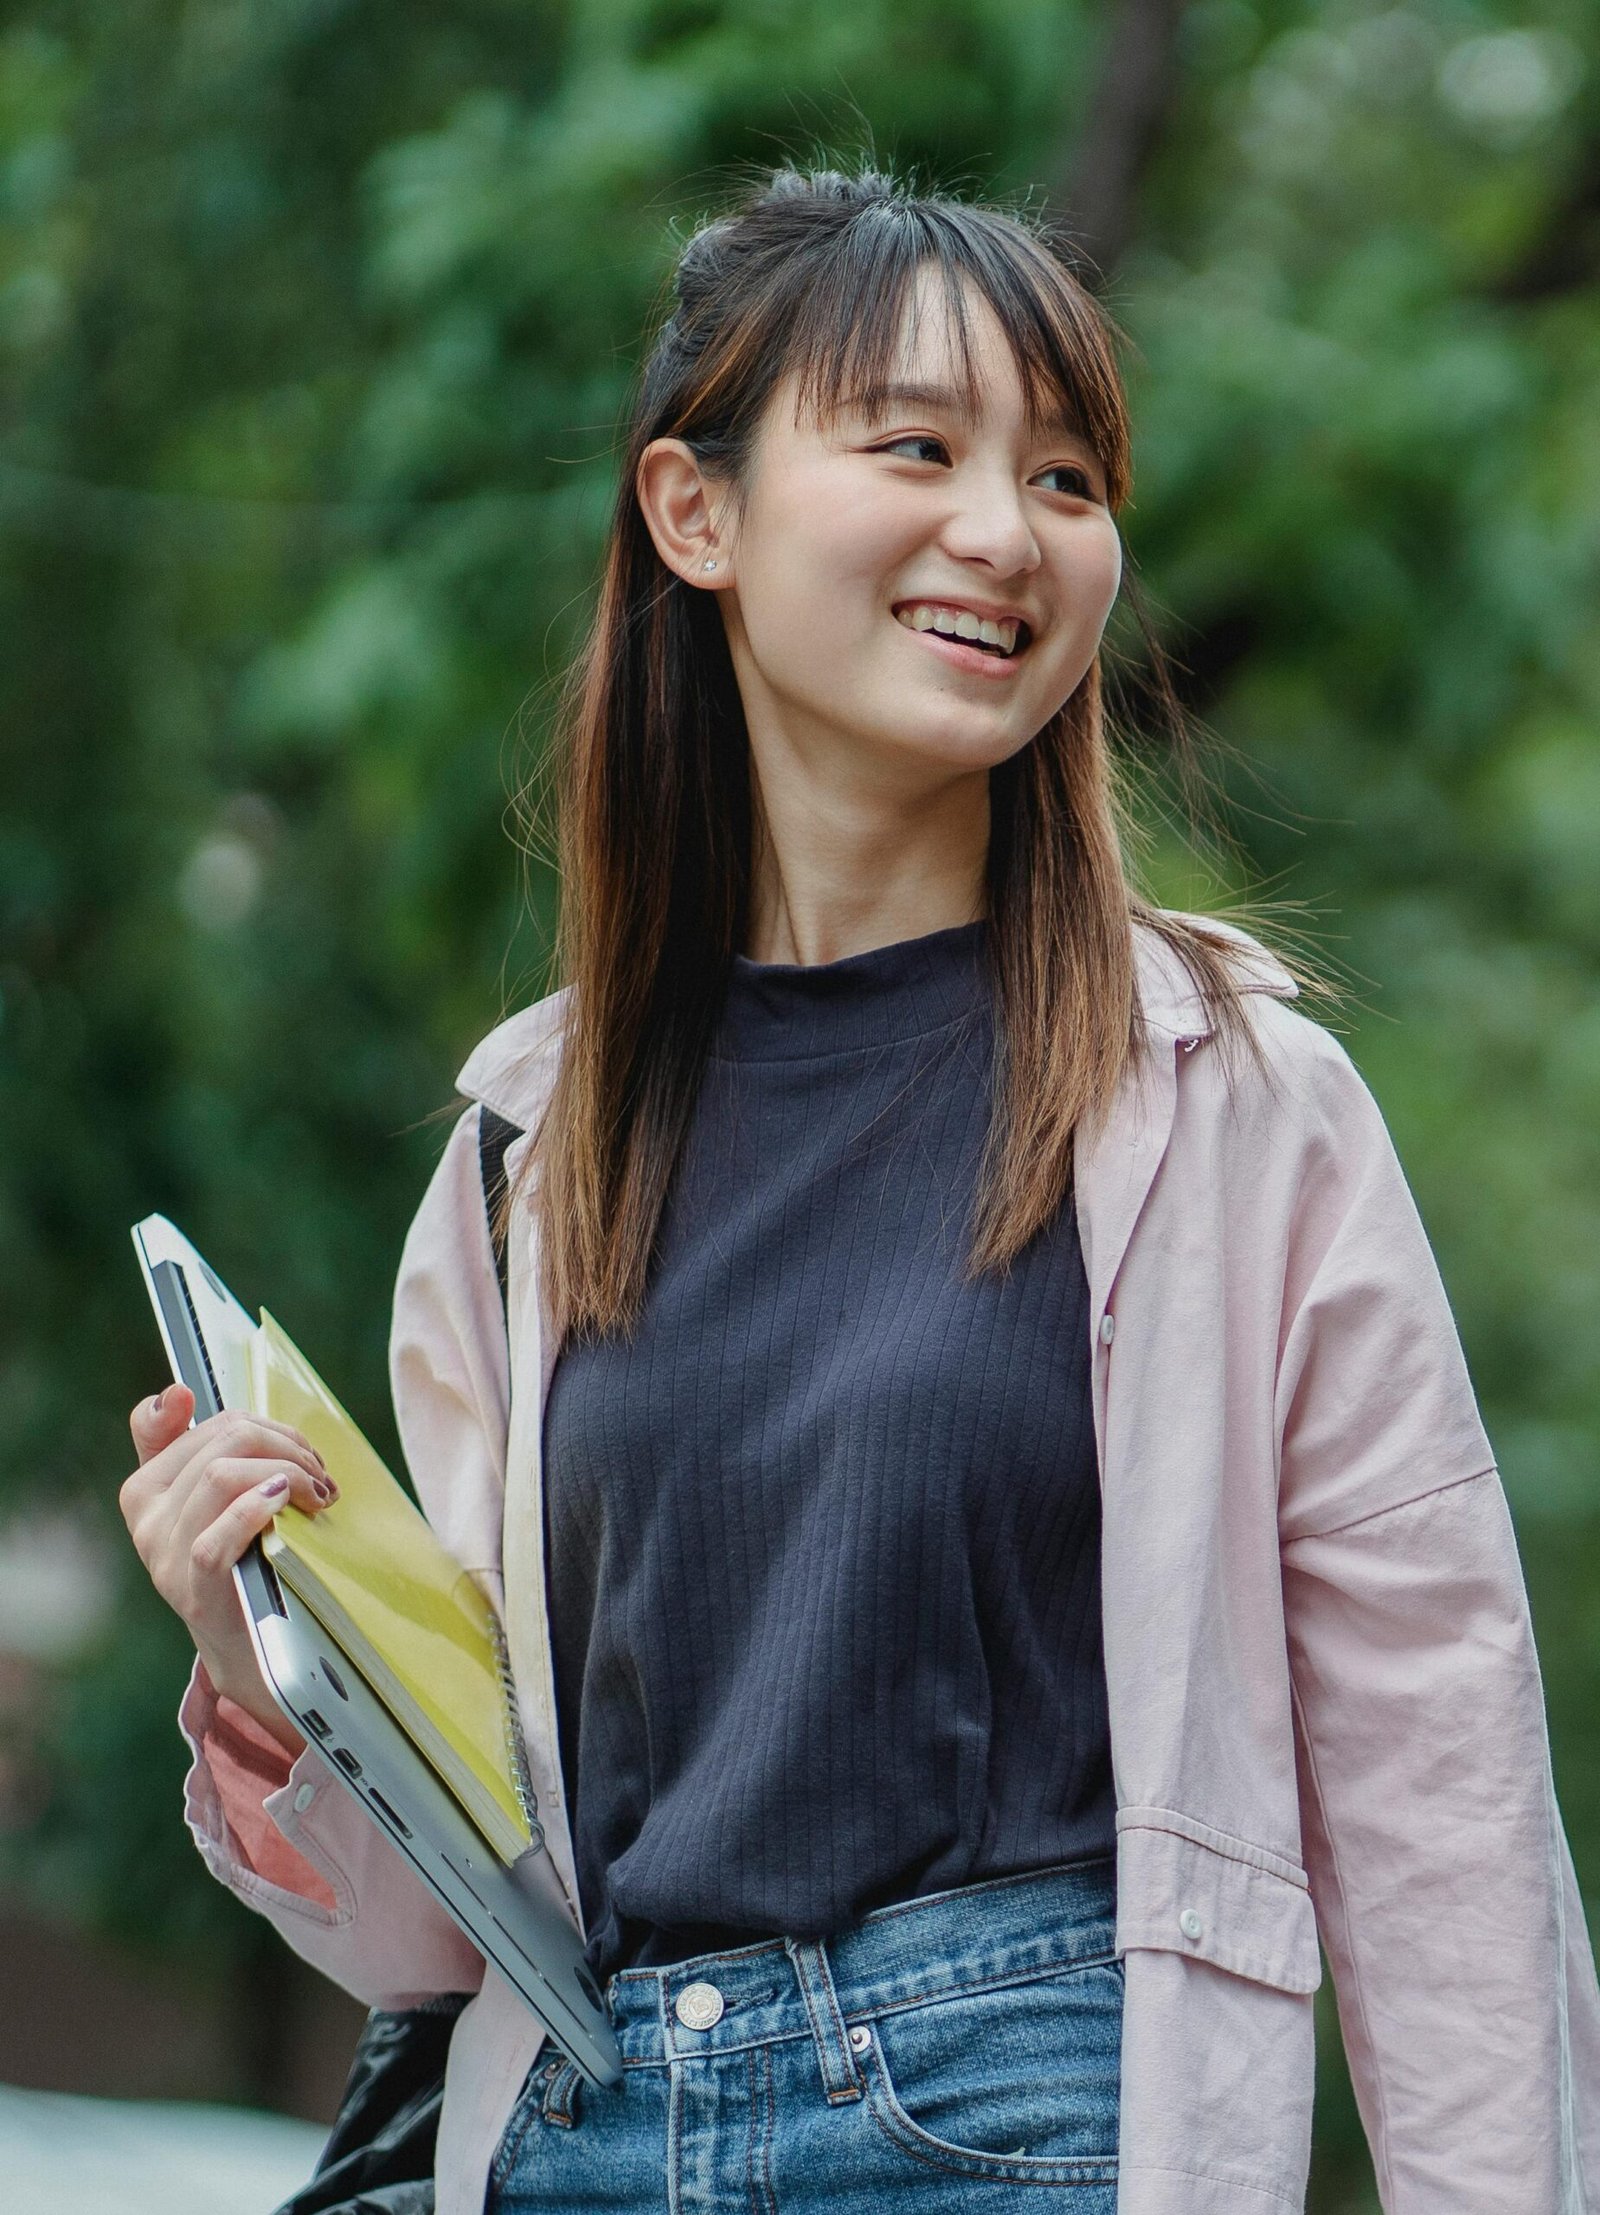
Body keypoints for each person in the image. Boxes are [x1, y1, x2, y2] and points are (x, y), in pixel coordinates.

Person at [119, 163, 1600, 2214]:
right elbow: (447, 1930)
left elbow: (1440, 1800)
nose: (1006, 531)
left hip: (1007, 2126)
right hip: (574, 2129)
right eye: (916, 446)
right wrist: (256, 1658)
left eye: (1068, 477)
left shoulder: (1226, 1101)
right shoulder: (526, 1154)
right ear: (691, 513)